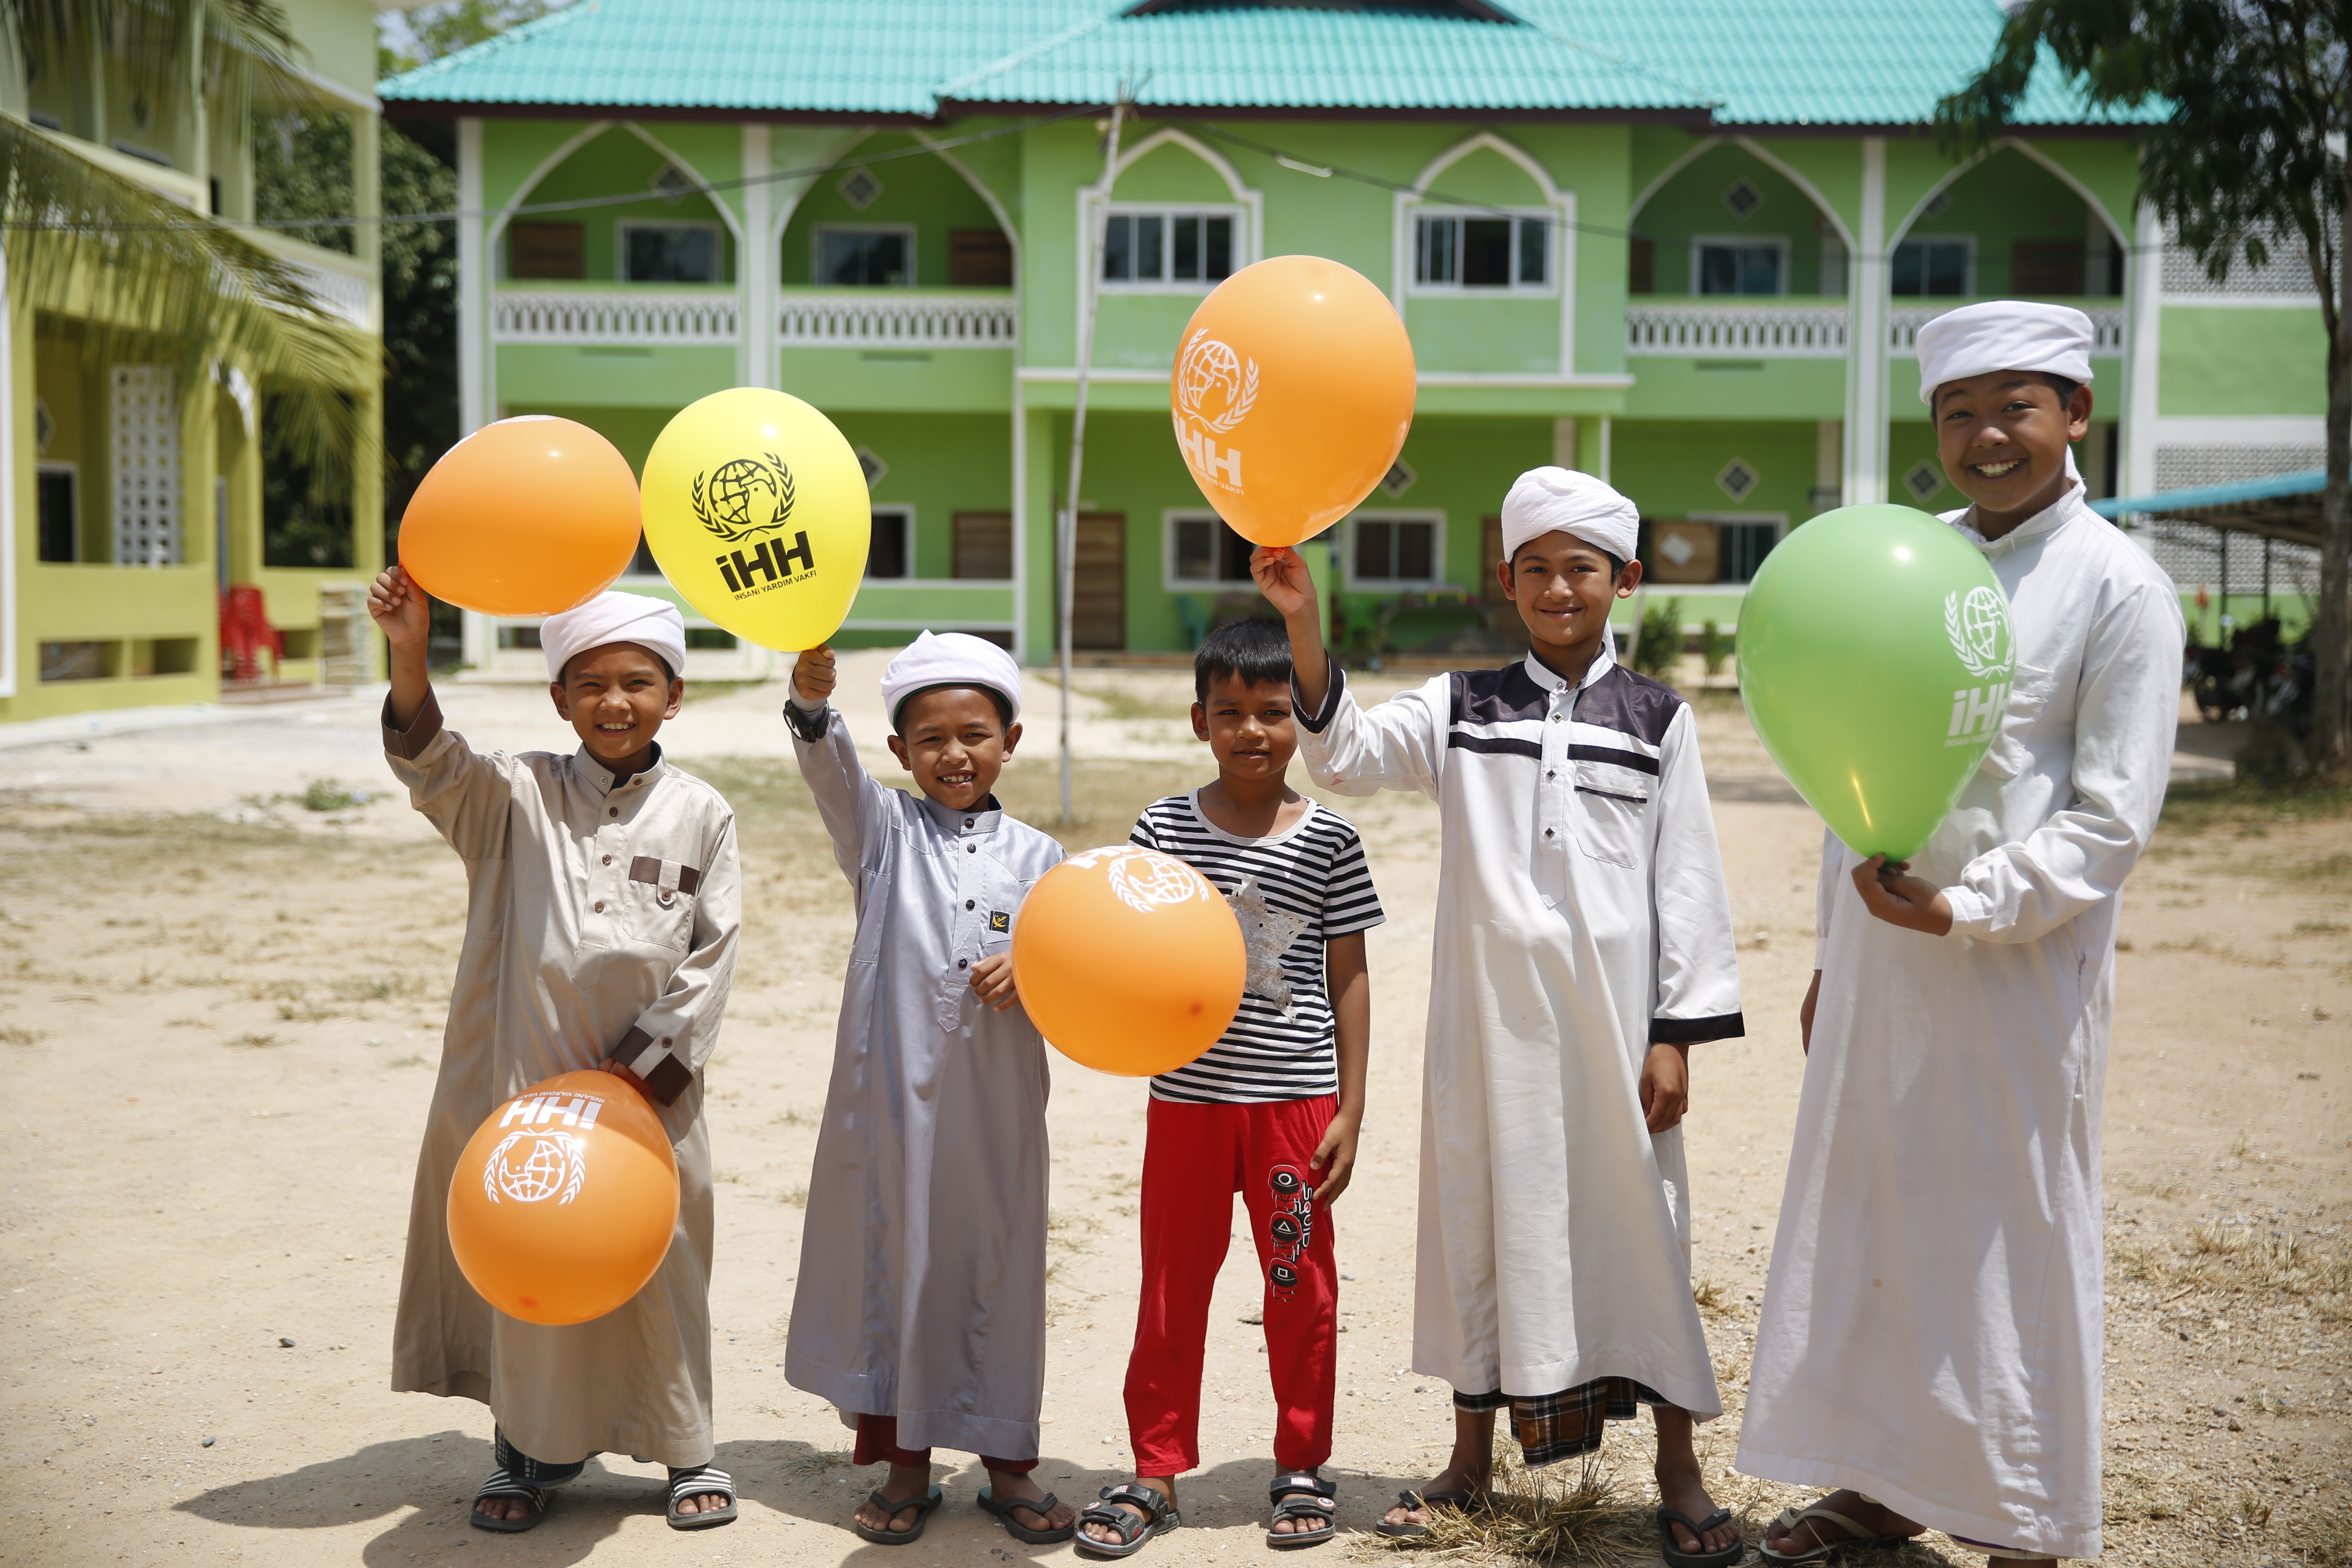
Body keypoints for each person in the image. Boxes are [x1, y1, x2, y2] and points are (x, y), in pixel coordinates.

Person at [1739, 301, 2184, 1567]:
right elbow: (1847, 768)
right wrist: (1840, 950)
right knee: (1881, 1213)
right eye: (1959, 413)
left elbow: (2109, 821)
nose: (1988, 437)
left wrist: (1965, 906)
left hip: (2014, 975)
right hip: (1886, 964)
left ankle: (2028, 1520)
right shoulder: (1900, 559)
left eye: (2017, 408)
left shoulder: (2118, 586)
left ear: (2077, 416)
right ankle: (1883, 1486)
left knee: (2011, 1233)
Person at [1252, 470, 1747, 1568]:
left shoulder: (1659, 718)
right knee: (1479, 1224)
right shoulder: (1462, 704)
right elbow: (1342, 757)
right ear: (1508, 579)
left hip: (1618, 1038)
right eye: (1536, 569)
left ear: (1622, 577)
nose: (1558, 588)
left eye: (1580, 568)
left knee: (1647, 1231)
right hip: (1488, 1040)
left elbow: (1690, 884)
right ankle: (1469, 1463)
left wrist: (1675, 1031)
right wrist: (1302, 619)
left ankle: (1679, 1470)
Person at [367, 568, 742, 1533]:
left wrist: (641, 1073)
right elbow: (430, 762)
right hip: (524, 1085)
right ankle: (528, 1451)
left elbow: (713, 953)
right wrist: (411, 649)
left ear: (674, 694)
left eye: (637, 682)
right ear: (559, 698)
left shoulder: (702, 812)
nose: (613, 701)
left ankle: (685, 1450)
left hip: (651, 1094)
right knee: (529, 1248)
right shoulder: (514, 794)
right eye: (590, 683)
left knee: (663, 1254)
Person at [1075, 619, 1383, 1558]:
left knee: (1299, 1284)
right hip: (1189, 1110)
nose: (1253, 730)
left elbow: (1350, 978)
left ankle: (1300, 1465)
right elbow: (1120, 940)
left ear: (1302, 719)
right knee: (1173, 1289)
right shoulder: (1163, 828)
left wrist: (1354, 1106)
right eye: (1232, 713)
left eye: (1275, 711)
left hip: (1296, 1111)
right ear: (1199, 718)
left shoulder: (1331, 838)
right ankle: (1158, 1470)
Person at [780, 631, 1077, 1548]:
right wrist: (811, 705)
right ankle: (908, 1463)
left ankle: (1008, 1462)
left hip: (996, 1113)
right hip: (895, 1114)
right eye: (933, 739)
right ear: (901, 752)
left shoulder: (1044, 858)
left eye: (975, 734)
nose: (956, 755)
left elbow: (1080, 970)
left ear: (1011, 740)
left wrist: (1034, 970)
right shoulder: (883, 832)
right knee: (903, 1261)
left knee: (998, 1264)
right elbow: (828, 770)